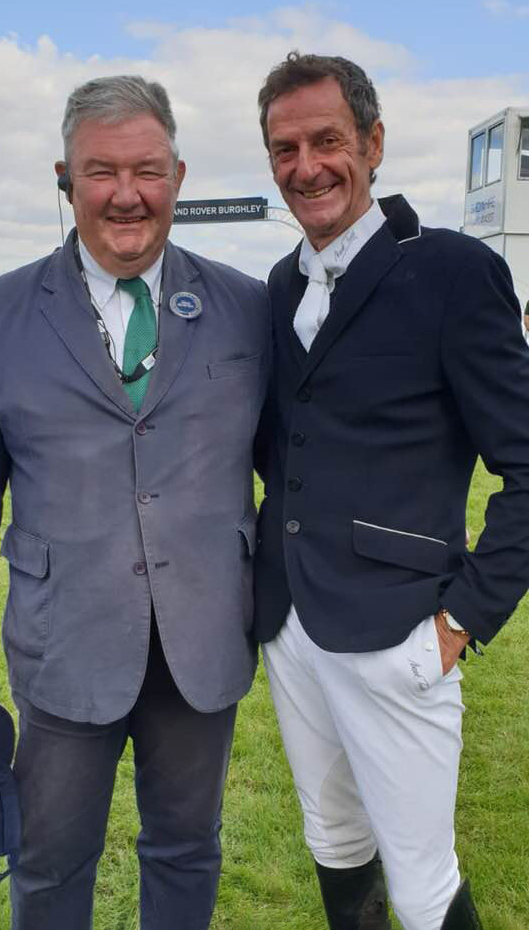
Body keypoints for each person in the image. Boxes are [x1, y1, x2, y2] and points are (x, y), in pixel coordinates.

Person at [0, 74, 269, 930]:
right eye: (101, 171)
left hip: (203, 641)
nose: (126, 194)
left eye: (147, 170)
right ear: (65, 179)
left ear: (178, 177)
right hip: (64, 642)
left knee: (187, 849)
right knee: (48, 862)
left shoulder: (245, 307)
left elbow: (300, 462)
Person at [253, 52, 529, 930]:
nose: (306, 167)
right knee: (334, 839)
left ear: (373, 144)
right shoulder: (279, 284)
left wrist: (461, 620)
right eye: (285, 149)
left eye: (327, 141)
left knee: (422, 884)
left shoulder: (453, 271)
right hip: (289, 621)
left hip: (399, 633)